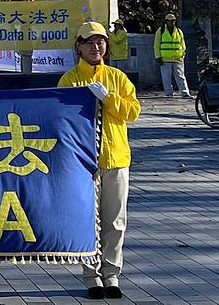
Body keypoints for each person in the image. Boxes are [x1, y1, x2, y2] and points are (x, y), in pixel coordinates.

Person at [58, 22, 141, 301]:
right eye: (89, 42)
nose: (96, 47)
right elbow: (61, 121)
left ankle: (112, 274)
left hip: (116, 159)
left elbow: (133, 112)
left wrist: (108, 98)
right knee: (88, 222)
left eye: (101, 42)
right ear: (79, 47)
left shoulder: (117, 77)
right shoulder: (69, 80)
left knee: (115, 222)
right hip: (83, 165)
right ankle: (92, 276)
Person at [153, 13, 191, 98]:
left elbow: (182, 44)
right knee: (166, 78)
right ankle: (169, 93)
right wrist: (158, 57)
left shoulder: (179, 31)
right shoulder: (161, 31)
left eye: (173, 21)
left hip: (177, 58)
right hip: (165, 59)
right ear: (166, 21)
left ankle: (185, 93)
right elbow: (156, 45)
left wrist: (182, 55)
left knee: (181, 77)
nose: (171, 23)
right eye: (169, 21)